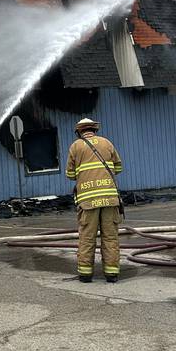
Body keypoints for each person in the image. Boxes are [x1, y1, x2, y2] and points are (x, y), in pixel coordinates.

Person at [65, 118, 124, 283]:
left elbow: (70, 175)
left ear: (79, 132)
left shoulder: (76, 146)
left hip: (88, 201)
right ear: (94, 129)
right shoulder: (107, 143)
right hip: (110, 200)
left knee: (87, 237)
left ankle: (85, 274)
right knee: (110, 236)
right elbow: (118, 168)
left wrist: (85, 176)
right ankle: (112, 274)